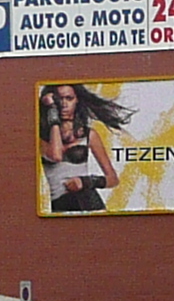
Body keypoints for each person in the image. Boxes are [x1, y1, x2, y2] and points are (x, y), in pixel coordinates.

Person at [39, 83, 131, 213]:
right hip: (61, 205)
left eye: (69, 98)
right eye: (59, 99)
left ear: (77, 101)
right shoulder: (41, 138)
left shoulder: (89, 135)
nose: (64, 104)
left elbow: (113, 179)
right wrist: (52, 113)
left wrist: (86, 181)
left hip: (90, 202)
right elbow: (56, 155)